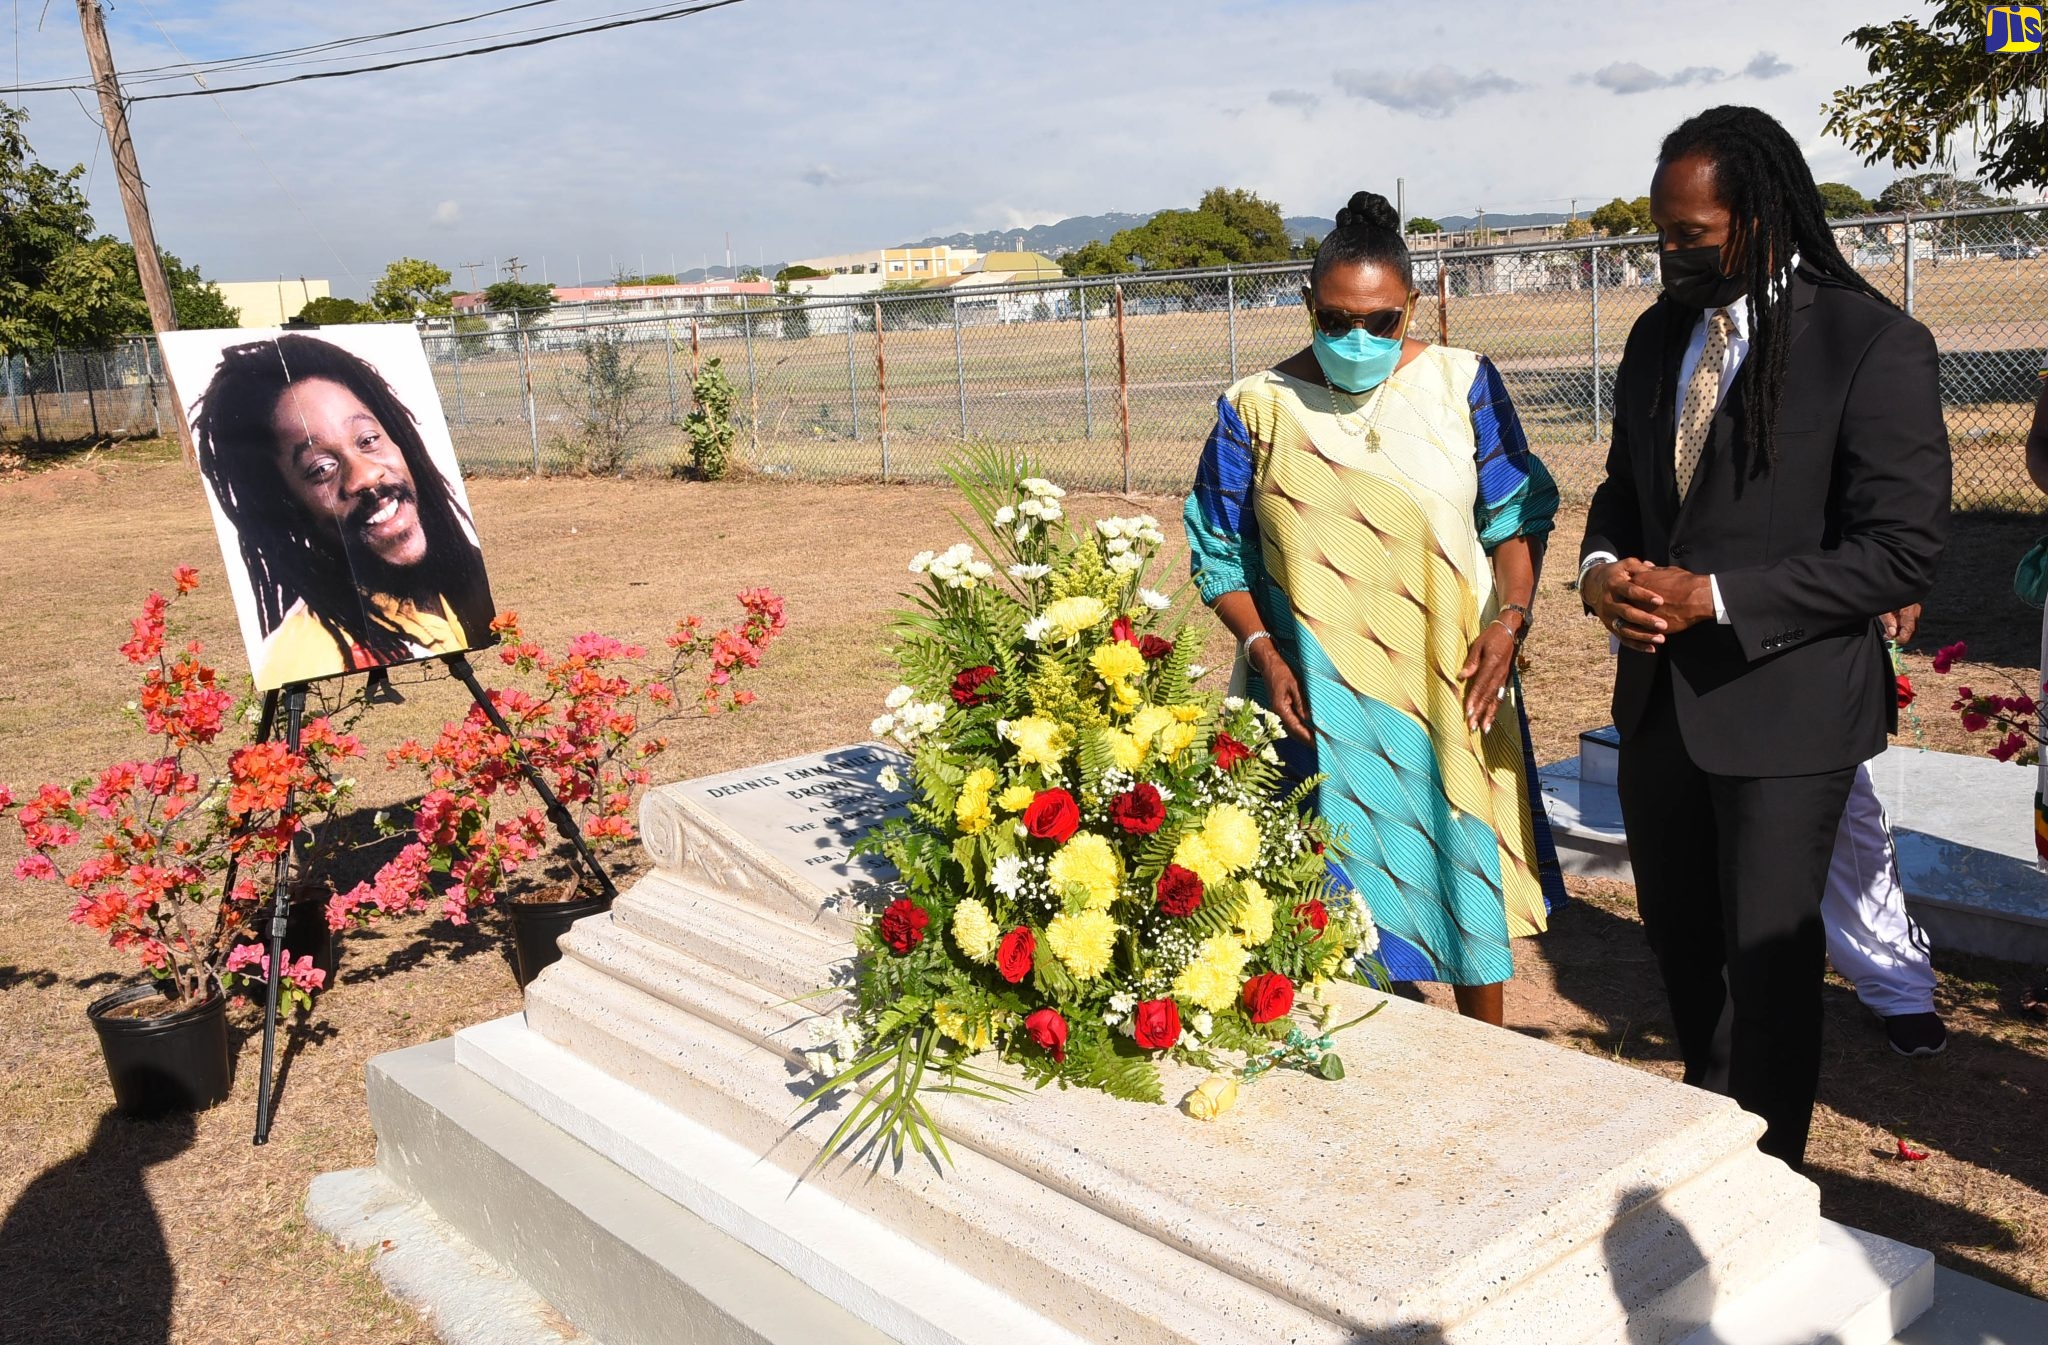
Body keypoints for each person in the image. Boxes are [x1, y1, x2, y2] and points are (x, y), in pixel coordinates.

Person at [1579, 106, 1951, 1166]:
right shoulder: (1658, 336)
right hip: (1656, 710)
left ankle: (1766, 1176)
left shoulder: (1868, 342)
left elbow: (1896, 552)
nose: (1667, 253)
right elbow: (1620, 493)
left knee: (1769, 964)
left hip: (1784, 717)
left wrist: (1716, 598)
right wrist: (1601, 576)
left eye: (1689, 236)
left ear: (1760, 217)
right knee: (1684, 947)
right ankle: (1710, 1139)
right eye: (1660, 233)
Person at [1186, 190, 1566, 1027]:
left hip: (1450, 681)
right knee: (1327, 892)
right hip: (1314, 698)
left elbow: (1515, 518)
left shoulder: (1463, 384)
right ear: (1306, 304)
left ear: (1413, 308)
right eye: (1336, 319)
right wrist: (1263, 652)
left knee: (1460, 867)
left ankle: (1484, 1058)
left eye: (1382, 322)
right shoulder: (1256, 407)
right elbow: (1217, 552)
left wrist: (1510, 622)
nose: (1358, 339)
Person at [190, 334, 495, 689]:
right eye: (321, 468)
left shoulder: (455, 586)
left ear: (399, 438)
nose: (365, 476)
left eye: (368, 440)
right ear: (287, 505)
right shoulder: (307, 655)